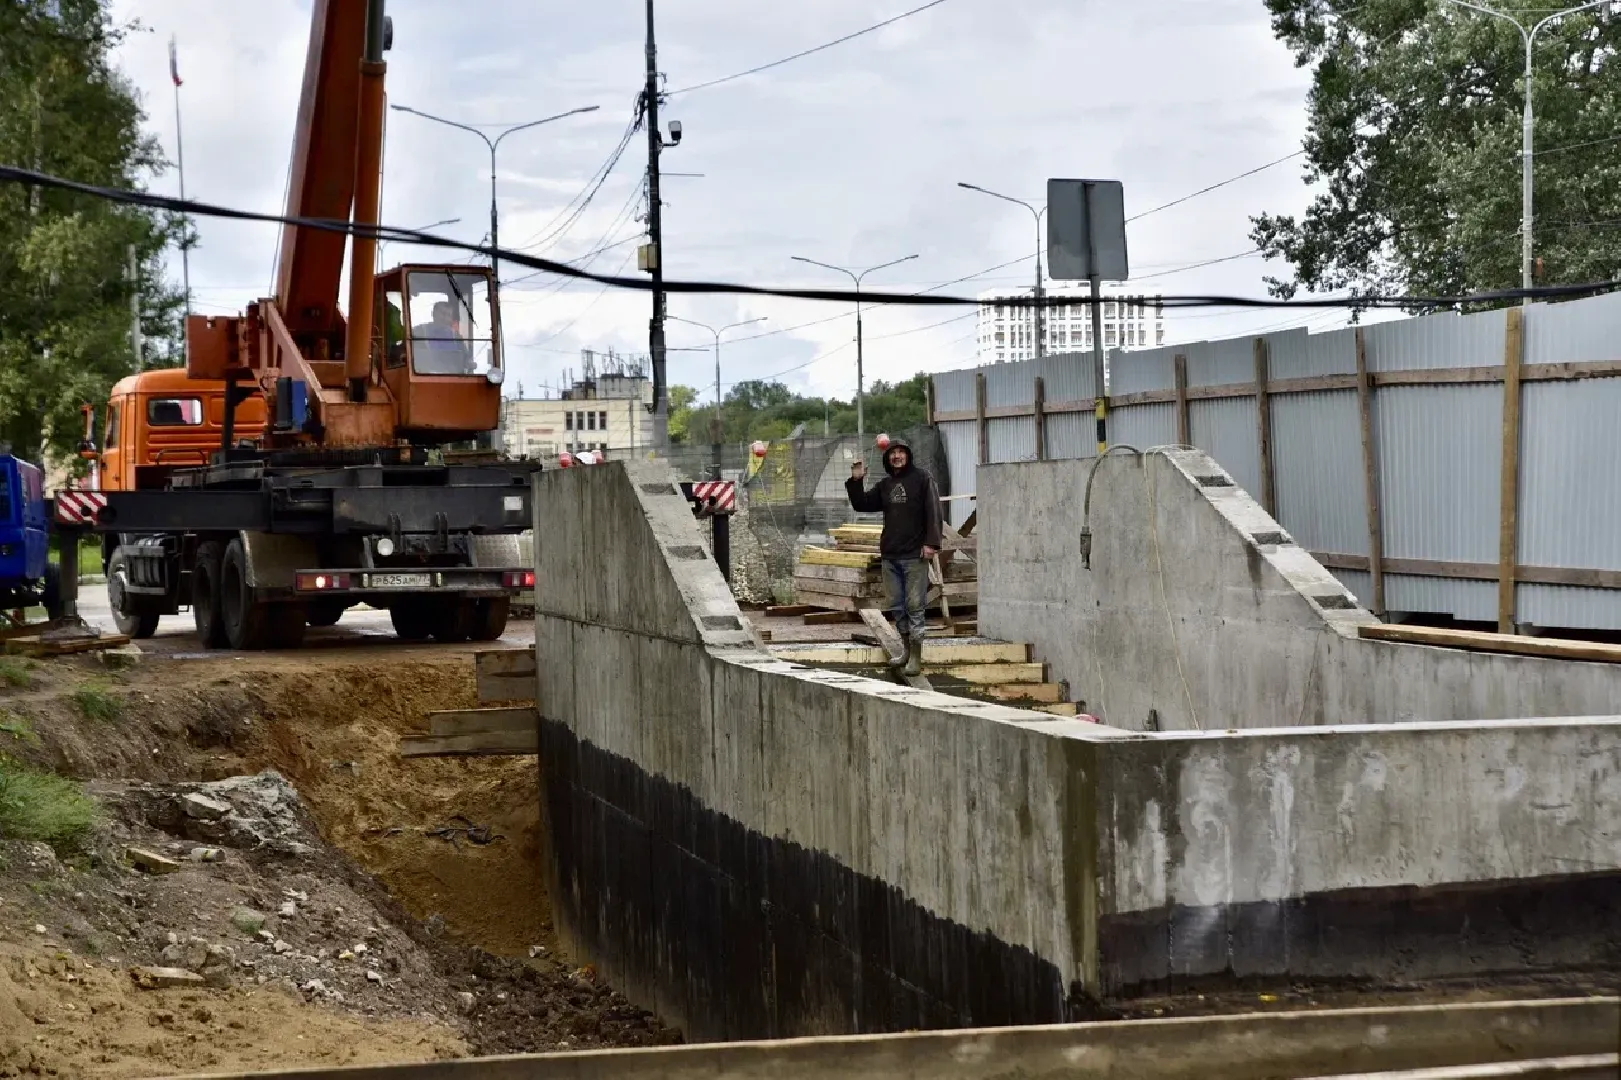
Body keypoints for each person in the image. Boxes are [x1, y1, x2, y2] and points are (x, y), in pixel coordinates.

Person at [845, 440, 942, 677]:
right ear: (887, 458)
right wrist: (856, 480)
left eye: (901, 452)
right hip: (890, 555)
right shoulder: (886, 485)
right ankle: (906, 651)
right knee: (897, 606)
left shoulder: (922, 479)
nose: (897, 456)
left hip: (915, 554)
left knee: (914, 605)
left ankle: (916, 657)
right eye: (893, 453)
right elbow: (862, 504)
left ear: (908, 456)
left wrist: (931, 543)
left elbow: (934, 510)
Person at [410, 300, 473, 374]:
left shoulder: (456, 336)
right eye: (443, 313)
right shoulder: (418, 332)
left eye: (449, 315)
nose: (445, 318)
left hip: (452, 378)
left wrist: (469, 363)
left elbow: (466, 358)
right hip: (424, 377)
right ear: (433, 314)